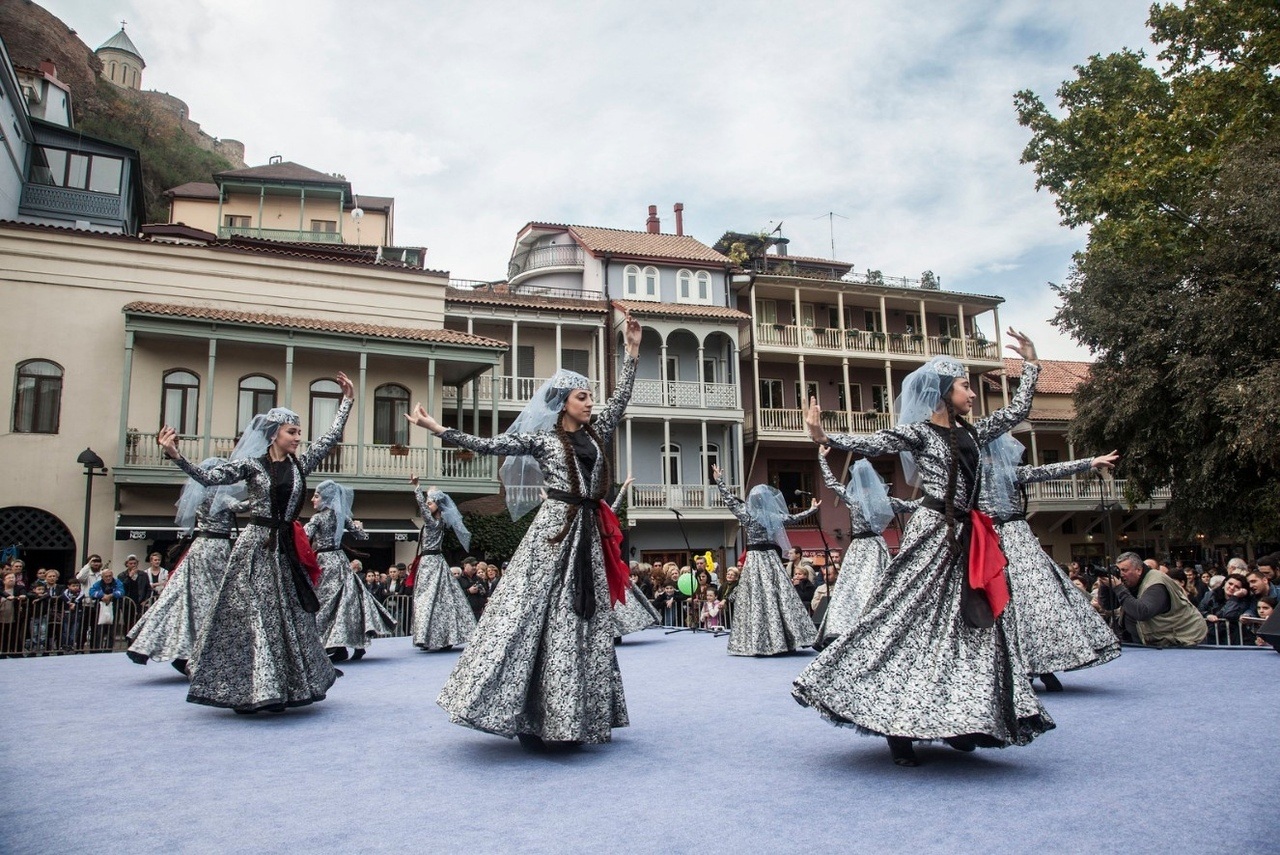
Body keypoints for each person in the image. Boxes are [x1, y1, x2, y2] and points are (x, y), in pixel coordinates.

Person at [794, 331, 1054, 767]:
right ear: (942, 394)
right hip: (935, 533)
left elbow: (1018, 411)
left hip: (971, 537)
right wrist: (824, 435)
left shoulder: (975, 429)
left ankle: (960, 717)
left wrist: (1030, 365)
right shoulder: (918, 433)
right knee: (907, 621)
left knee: (973, 626)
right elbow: (873, 442)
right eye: (965, 386)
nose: (972, 393)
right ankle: (899, 728)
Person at [407, 312, 641, 749]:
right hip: (554, 530)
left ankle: (573, 713)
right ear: (562, 402)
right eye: (582, 396)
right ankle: (530, 712)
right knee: (534, 612)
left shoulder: (596, 431)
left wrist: (630, 353)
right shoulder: (543, 439)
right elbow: (489, 445)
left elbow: (622, 400)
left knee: (581, 618)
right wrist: (437, 429)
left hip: (588, 532)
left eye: (591, 396)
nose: (590, 402)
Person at [155, 371, 353, 713]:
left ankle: (283, 685)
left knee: (289, 616)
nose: (298, 438)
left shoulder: (300, 466)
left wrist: (346, 401)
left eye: (299, 432)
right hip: (256, 547)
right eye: (292, 432)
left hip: (285, 551)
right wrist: (177, 456)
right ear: (274, 434)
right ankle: (255, 688)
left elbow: (331, 437)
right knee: (254, 615)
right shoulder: (251, 466)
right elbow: (210, 477)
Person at [979, 436, 1122, 692]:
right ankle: (1034, 668)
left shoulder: (995, 473)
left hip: (1004, 537)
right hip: (1001, 537)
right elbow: (1045, 471)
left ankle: (1036, 667)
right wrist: (1090, 462)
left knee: (1028, 603)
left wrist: (1089, 462)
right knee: (1029, 603)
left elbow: (1046, 470)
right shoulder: (980, 476)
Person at [127, 458, 248, 673]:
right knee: (215, 597)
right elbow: (241, 506)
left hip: (199, 547)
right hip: (216, 548)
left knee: (185, 595)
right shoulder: (218, 496)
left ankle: (184, 648)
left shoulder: (202, 495)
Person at [711, 464, 820, 656]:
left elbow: (729, 500)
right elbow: (793, 518)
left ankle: (758, 641)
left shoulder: (746, 514)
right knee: (778, 596)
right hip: (770, 558)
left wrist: (719, 480)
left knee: (755, 597)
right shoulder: (772, 516)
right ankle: (785, 638)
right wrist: (811, 510)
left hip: (754, 558)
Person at [815, 451, 916, 645]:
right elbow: (911, 505)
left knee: (850, 588)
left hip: (857, 547)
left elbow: (831, 482)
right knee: (875, 585)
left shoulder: (853, 499)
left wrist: (822, 459)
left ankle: (843, 627)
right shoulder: (883, 501)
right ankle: (878, 626)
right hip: (875, 546)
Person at [307, 480, 395, 663]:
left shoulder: (317, 518)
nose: (312, 500)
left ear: (326, 498)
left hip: (325, 563)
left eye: (316, 496)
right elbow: (361, 536)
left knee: (327, 604)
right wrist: (359, 527)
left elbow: (304, 536)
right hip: (340, 561)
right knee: (345, 603)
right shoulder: (341, 517)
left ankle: (335, 646)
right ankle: (348, 646)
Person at [407, 477, 477, 652]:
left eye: (431, 503)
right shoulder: (438, 522)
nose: (428, 505)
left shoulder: (434, 522)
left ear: (438, 505)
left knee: (428, 599)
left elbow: (423, 510)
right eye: (428, 503)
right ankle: (432, 636)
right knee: (436, 600)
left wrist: (417, 488)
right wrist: (431, 493)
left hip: (431, 563)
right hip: (430, 562)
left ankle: (430, 637)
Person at [1095, 552, 1207, 647]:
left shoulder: (1156, 583)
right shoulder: (1131, 582)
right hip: (1149, 642)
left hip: (1183, 640)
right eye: (1119, 570)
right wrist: (1105, 586)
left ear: (1139, 570)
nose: (1121, 574)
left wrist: (1119, 588)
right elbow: (1108, 606)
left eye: (1124, 570)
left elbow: (1142, 612)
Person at [608, 477, 660, 638]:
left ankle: (616, 634)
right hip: (589, 566)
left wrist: (623, 489)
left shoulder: (598, 519)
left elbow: (612, 510)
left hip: (605, 567)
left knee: (616, 600)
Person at [88, 569, 125, 652]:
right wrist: (103, 595)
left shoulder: (117, 582)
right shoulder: (98, 583)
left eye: (110, 576)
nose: (108, 578)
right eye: (106, 576)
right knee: (99, 630)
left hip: (114, 608)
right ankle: (97, 649)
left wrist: (111, 595)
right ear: (102, 577)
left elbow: (121, 592)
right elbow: (91, 592)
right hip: (100, 608)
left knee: (112, 631)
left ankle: (108, 649)